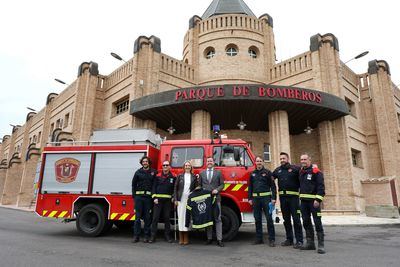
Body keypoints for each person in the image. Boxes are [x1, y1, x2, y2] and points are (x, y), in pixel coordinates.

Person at [272, 152, 303, 249]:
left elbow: (305, 177)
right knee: (286, 220)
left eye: (283, 158)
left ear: (288, 159)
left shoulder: (295, 169)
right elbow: (270, 177)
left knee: (296, 220)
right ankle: (289, 239)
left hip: (294, 199)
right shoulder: (278, 170)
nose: (282, 160)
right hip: (283, 199)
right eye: (280, 159)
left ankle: (299, 241)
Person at [299, 153, 326, 254]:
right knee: (306, 221)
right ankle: (310, 243)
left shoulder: (316, 172)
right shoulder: (301, 172)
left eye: (305, 159)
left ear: (309, 160)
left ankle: (321, 245)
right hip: (303, 202)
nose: (303, 161)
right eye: (301, 159)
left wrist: (318, 200)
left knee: (317, 222)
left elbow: (321, 187)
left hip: (314, 202)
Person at [248, 156, 276, 246]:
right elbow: (250, 187)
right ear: (255, 163)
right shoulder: (252, 174)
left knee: (269, 219)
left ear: (263, 162)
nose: (259, 162)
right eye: (257, 161)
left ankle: (271, 240)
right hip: (256, 200)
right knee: (257, 219)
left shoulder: (268, 173)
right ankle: (259, 239)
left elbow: (273, 186)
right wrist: (249, 198)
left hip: (266, 199)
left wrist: (274, 198)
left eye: (260, 161)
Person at [199, 157, 225, 247]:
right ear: (206, 162)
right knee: (208, 219)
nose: (209, 162)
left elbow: (222, 184)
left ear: (214, 162)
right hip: (206, 200)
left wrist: (217, 190)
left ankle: (219, 239)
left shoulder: (219, 173)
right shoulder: (201, 173)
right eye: (208, 161)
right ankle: (209, 238)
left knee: (218, 219)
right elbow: (199, 185)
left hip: (216, 199)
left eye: (211, 161)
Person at [131, 156, 156, 243]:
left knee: (147, 218)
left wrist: (153, 196)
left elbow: (154, 185)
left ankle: (146, 236)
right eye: (143, 161)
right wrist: (134, 196)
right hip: (139, 199)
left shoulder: (153, 172)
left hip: (148, 199)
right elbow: (133, 184)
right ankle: (136, 236)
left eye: (146, 161)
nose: (145, 163)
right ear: (141, 163)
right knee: (137, 218)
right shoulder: (138, 172)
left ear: (149, 162)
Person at [150, 160, 176, 243]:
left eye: (167, 165)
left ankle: (167, 236)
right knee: (155, 218)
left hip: (168, 201)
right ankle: (153, 236)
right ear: (162, 167)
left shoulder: (173, 176)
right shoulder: (157, 176)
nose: (165, 166)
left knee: (167, 218)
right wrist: (154, 198)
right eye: (164, 165)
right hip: (158, 201)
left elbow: (175, 189)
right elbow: (153, 187)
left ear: (169, 167)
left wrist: (173, 197)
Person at [173, 160, 197, 245]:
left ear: (191, 167)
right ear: (184, 167)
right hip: (180, 200)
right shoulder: (180, 176)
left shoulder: (194, 177)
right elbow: (175, 188)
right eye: (186, 165)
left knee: (187, 218)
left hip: (189, 200)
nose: (187, 167)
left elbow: (195, 189)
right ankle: (181, 237)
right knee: (181, 217)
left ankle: (186, 237)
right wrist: (175, 199)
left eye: (188, 165)